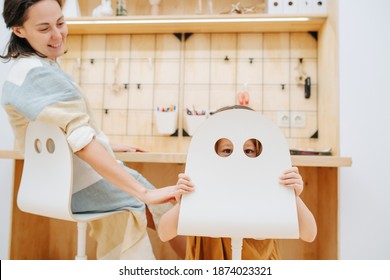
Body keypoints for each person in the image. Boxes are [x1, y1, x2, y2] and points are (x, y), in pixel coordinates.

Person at [0, 0, 194, 259]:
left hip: (58, 181)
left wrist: (106, 143)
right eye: (44, 28)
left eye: (60, 23)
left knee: (161, 205)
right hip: (75, 184)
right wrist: (144, 193)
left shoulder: (27, 68)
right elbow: (79, 139)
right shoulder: (37, 73)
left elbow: (60, 131)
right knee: (162, 204)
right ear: (18, 30)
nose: (57, 35)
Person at [157, 105, 317, 260]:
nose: (237, 158)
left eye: (248, 151)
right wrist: (184, 202)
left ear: (259, 152)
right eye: (227, 150)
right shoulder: (200, 181)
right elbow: (164, 233)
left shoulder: (268, 183)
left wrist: (292, 196)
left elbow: (309, 233)